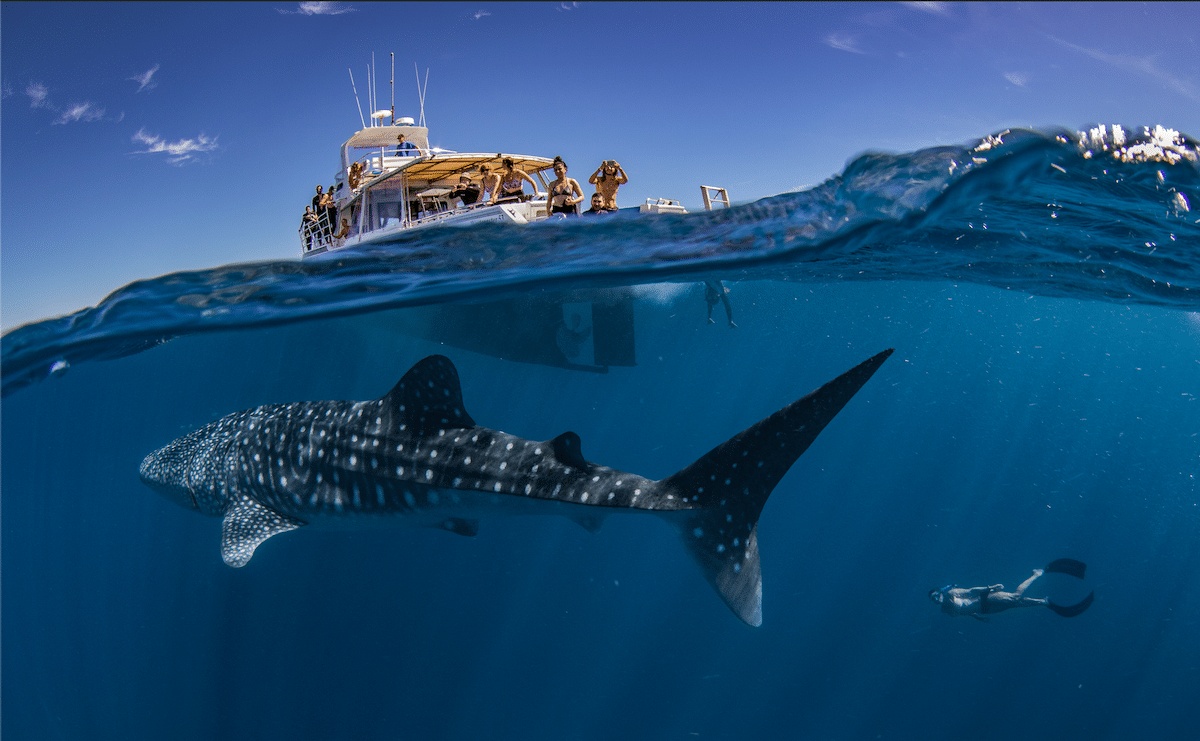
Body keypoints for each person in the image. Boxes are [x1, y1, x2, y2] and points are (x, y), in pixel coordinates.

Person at [929, 559, 1095, 621]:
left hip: (984, 599)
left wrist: (991, 588)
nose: (936, 599)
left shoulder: (951, 594)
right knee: (1014, 604)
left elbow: (972, 591)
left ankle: (1037, 574)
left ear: (940, 592)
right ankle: (1044, 602)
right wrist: (976, 617)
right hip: (984, 610)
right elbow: (964, 610)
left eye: (936, 595)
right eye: (933, 599)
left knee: (1016, 597)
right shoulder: (945, 610)